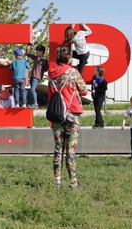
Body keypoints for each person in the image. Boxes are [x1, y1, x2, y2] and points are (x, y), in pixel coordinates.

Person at [48, 47, 88, 188]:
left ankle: (57, 182)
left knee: (58, 148)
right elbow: (83, 91)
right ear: (69, 59)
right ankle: (73, 182)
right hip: (72, 113)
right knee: (70, 149)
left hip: (56, 114)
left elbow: (50, 94)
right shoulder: (73, 72)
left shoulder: (51, 73)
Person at [26, 44, 49, 108]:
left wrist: (48, 64)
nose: (36, 52)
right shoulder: (36, 57)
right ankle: (33, 103)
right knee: (32, 90)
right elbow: (28, 54)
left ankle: (35, 104)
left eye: (37, 51)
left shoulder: (45, 61)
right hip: (32, 76)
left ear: (41, 52)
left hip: (37, 77)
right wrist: (28, 46)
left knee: (32, 89)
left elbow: (46, 69)